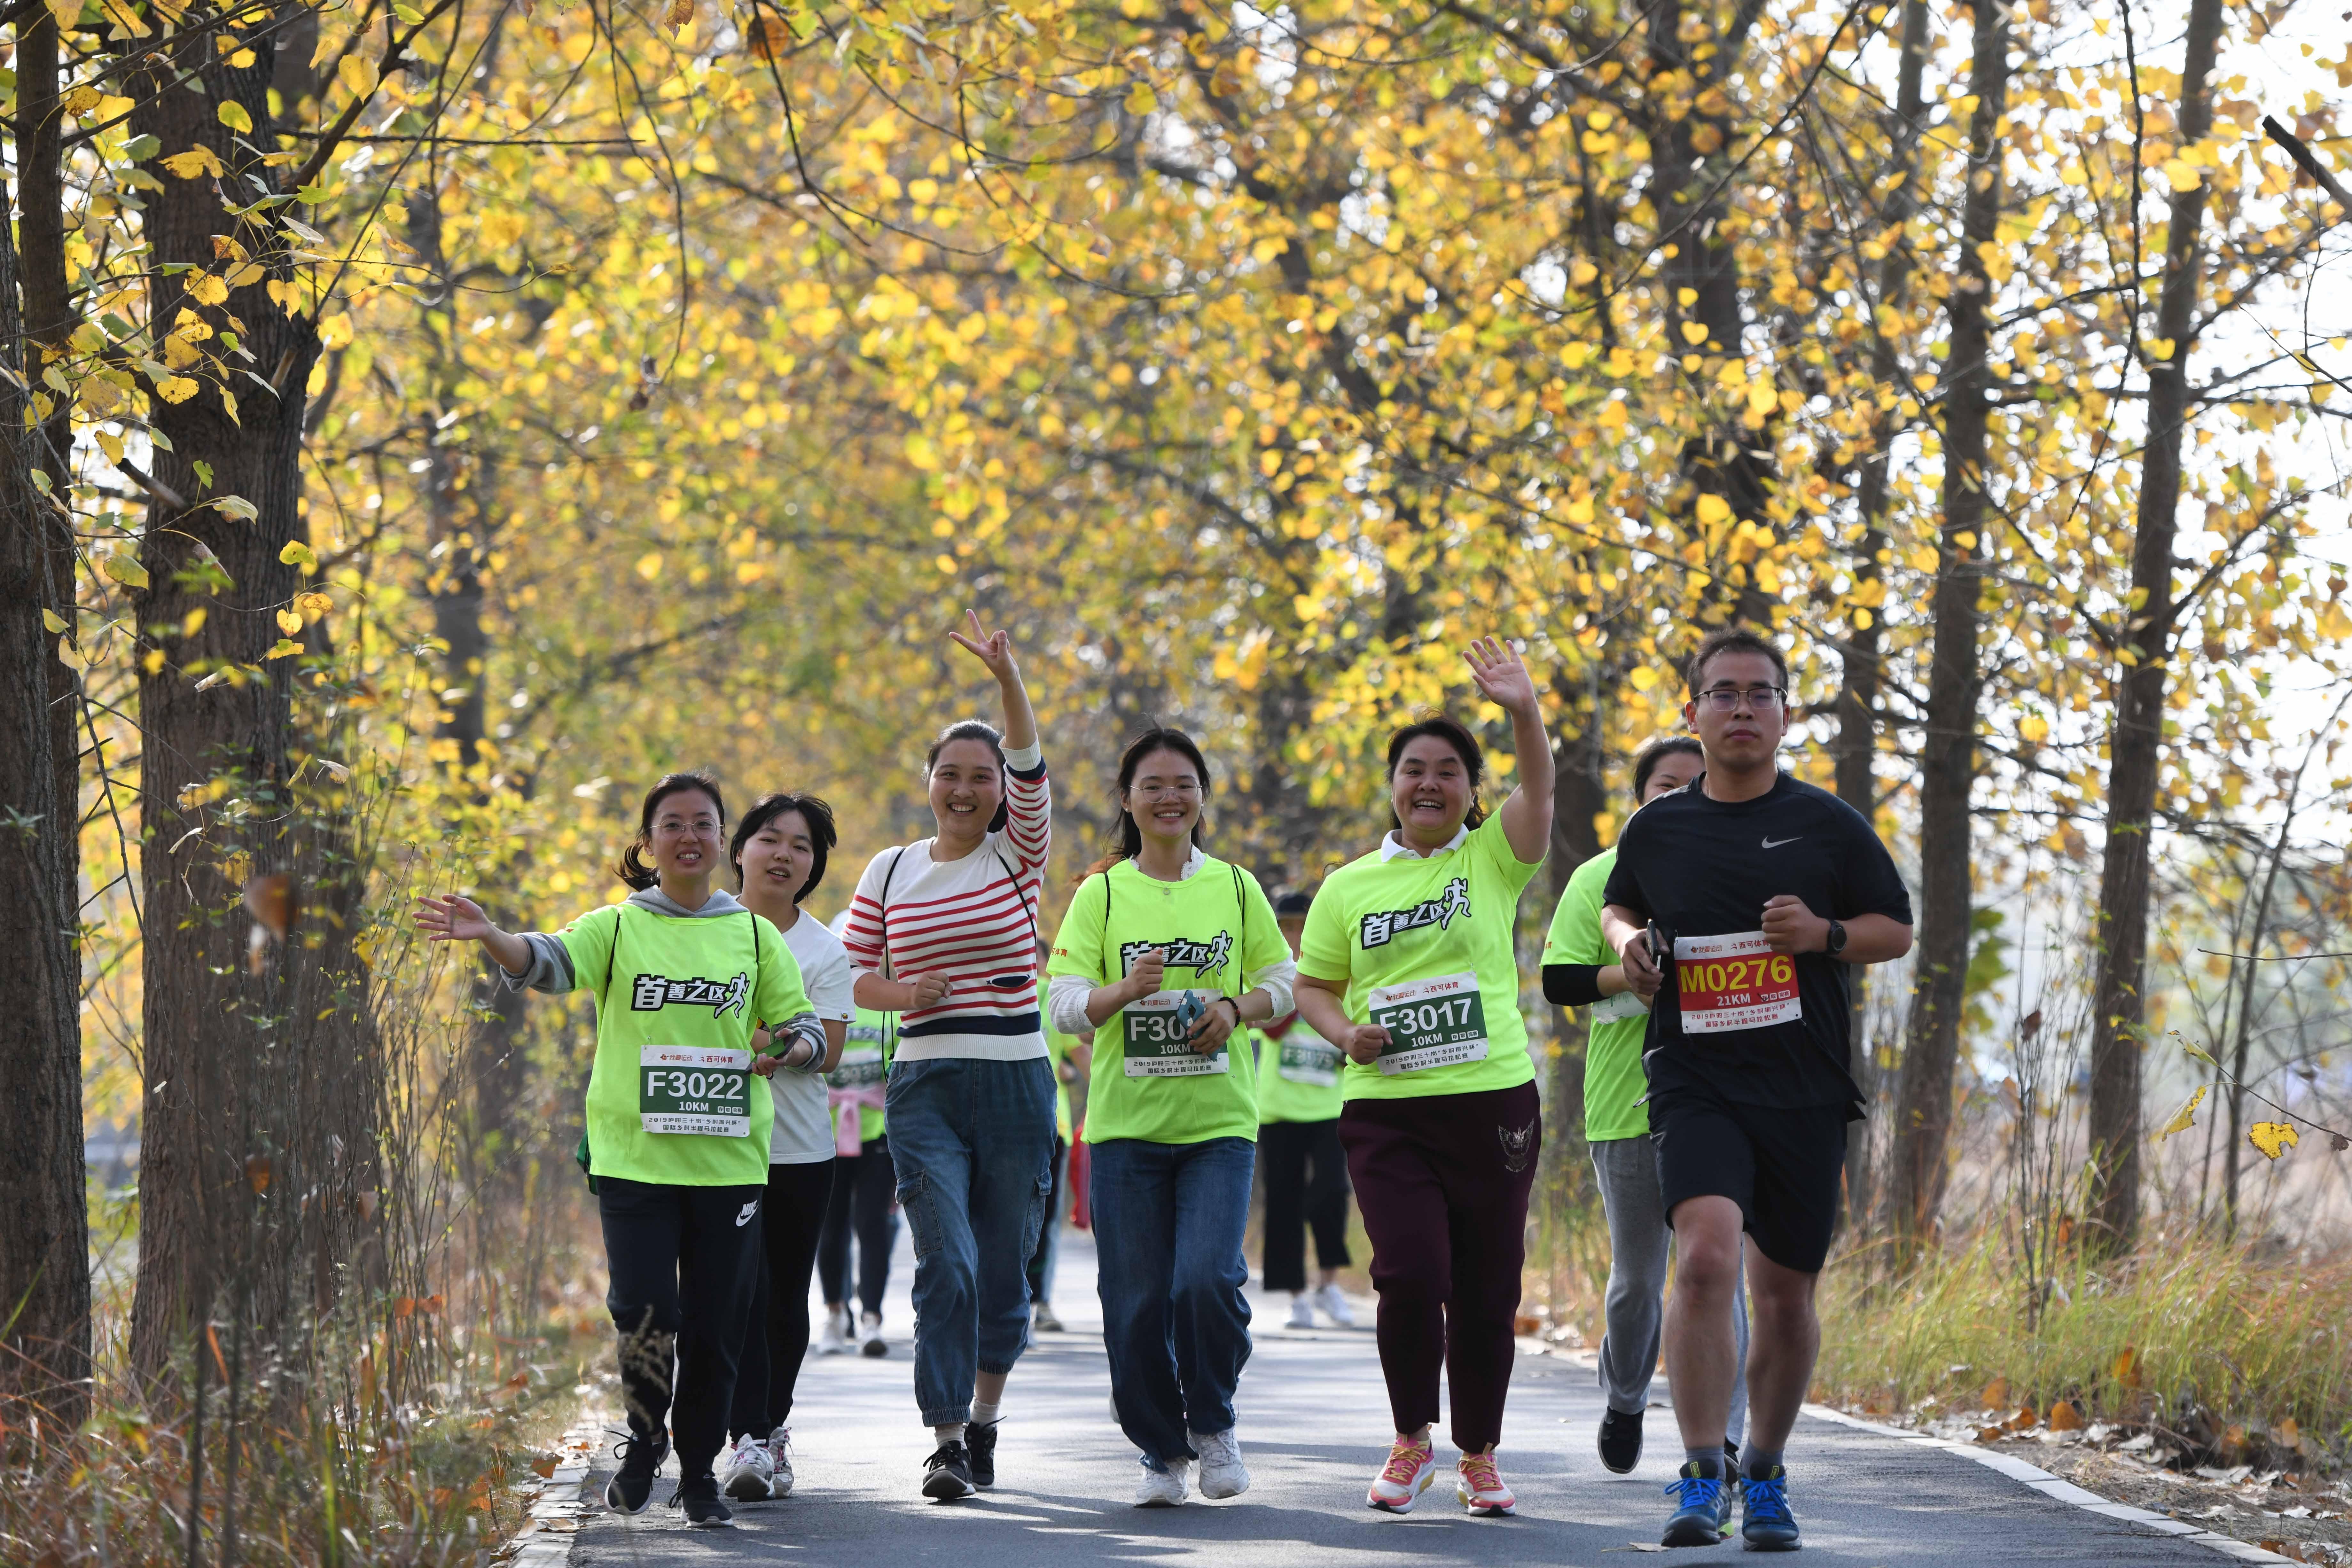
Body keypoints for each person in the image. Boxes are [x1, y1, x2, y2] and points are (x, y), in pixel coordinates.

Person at [414, 773, 825, 1528]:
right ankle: (645, 1440)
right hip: (634, 1160)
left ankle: (698, 1472)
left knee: (714, 1323)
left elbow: (806, 1025)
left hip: (729, 1162)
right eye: (673, 823)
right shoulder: (620, 926)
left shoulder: (756, 935)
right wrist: (492, 935)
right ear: (649, 842)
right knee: (644, 1312)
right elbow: (550, 961)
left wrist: (791, 1046)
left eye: (704, 823)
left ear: (722, 840)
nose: (689, 836)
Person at [1600, 626, 1913, 1552]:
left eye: (1759, 694)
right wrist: (1628, 944)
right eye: (1723, 693)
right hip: (1694, 1076)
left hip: (1803, 1085)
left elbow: (1893, 929)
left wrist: (1820, 935)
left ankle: (1765, 1472)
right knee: (1700, 1259)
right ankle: (1702, 1471)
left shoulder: (1826, 823)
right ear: (1691, 712)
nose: (1741, 709)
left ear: (1783, 714)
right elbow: (1621, 902)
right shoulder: (1657, 825)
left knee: (1782, 1294)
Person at [1291, 638, 1554, 1518]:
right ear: (1392, 785)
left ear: (1473, 792)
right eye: (1413, 770)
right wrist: (1342, 1034)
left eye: (1448, 771)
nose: (1429, 783)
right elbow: (1313, 987)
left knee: (1487, 1287)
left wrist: (1522, 709)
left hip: (1491, 1103)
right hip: (1388, 1110)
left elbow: (1541, 790)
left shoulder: (1491, 858)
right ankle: (1412, 1440)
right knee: (1408, 1273)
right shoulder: (1347, 886)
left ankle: (1478, 1453)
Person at [1046, 727, 1293, 1507]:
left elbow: (1284, 981)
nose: (1169, 797)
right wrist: (1118, 991)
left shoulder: (1236, 886)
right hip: (1126, 1130)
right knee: (1137, 1298)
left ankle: (1213, 1420)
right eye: (1152, 783)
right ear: (1127, 798)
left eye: (1184, 782)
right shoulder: (1103, 893)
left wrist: (1233, 1005)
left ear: (1202, 795)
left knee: (1206, 1280)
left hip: (1219, 1122)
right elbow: (1061, 1000)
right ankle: (1160, 1447)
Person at [840, 612, 1057, 1502]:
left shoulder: (1018, 853)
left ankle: (987, 1421)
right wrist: (908, 993)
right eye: (950, 775)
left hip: (1013, 1081)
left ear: (1000, 791)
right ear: (927, 783)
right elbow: (858, 977)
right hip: (924, 1082)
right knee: (948, 1261)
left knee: (1004, 1266)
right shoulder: (888, 871)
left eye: (982, 777)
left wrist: (1007, 679)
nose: (965, 790)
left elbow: (1033, 759)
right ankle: (944, 1438)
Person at [1540, 735, 1749, 1477]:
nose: (1682, 797)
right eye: (1666, 786)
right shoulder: (1598, 879)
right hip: (1627, 1107)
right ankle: (1626, 1396)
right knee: (1638, 1280)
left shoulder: (1741, 872)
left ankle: (1723, 1442)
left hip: (1725, 1106)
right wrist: (1626, 978)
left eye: (1697, 785)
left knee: (1719, 1269)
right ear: (1639, 801)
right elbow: (1558, 981)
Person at [719, 794, 855, 1502]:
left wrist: (780, 1046)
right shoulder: (700, 926)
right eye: (770, 839)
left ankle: (768, 1432)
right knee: (736, 1290)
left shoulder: (824, 948)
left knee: (782, 1296)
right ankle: (742, 1433)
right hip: (708, 1146)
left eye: (801, 847)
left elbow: (829, 1050)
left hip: (797, 1149)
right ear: (738, 848)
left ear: (813, 867)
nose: (783, 855)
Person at [1252, 889, 1356, 1330]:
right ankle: (1296, 1296)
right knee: (1284, 1201)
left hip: (1331, 1106)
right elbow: (1260, 1027)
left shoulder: (1338, 971)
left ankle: (1328, 1283)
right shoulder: (1264, 975)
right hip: (1278, 1109)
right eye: (1286, 926)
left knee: (1332, 1192)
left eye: (1301, 925)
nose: (1294, 934)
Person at [817, 969, 898, 1361]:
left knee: (873, 1227)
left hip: (876, 1131)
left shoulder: (887, 1010)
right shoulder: (818, 1005)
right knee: (829, 1230)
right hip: (825, 1133)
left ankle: (871, 1318)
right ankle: (834, 1313)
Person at [1028, 941, 1093, 1337]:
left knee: (1041, 1222)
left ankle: (1038, 1303)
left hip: (1053, 1126)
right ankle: (1030, 1305)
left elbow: (1083, 1057)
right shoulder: (1041, 994)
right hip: (1026, 1127)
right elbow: (1085, 1062)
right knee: (1035, 1222)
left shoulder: (1050, 997)